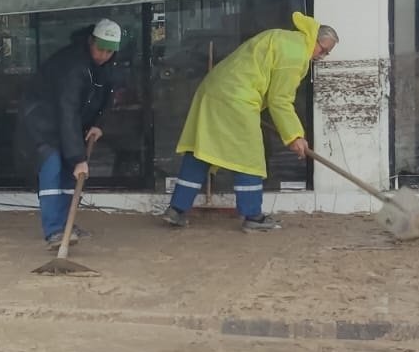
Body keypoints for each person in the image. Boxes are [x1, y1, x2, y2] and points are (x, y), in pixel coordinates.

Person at [164, 13, 338, 232]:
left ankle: (176, 209)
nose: (321, 56)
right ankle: (253, 215)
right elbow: (280, 100)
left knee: (202, 151)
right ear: (315, 40)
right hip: (236, 98)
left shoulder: (283, 38)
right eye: (323, 51)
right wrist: (294, 135)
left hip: (214, 91)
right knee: (250, 156)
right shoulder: (296, 55)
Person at [19, 19, 121, 250]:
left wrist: (98, 124)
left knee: (69, 174)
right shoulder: (73, 66)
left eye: (109, 52)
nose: (104, 56)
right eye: (101, 49)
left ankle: (66, 226)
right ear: (91, 41)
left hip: (67, 123)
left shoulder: (104, 67)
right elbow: (68, 110)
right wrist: (78, 158)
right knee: (53, 168)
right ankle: (54, 231)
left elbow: (106, 98)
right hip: (42, 121)